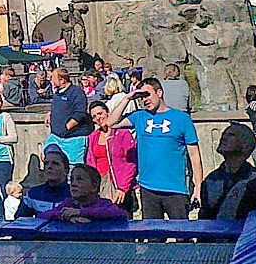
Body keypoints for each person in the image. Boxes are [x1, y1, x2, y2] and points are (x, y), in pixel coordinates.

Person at [102, 78, 203, 220]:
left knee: (181, 231)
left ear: (159, 93)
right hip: (148, 189)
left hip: (175, 189)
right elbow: (110, 123)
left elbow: (194, 155)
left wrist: (198, 187)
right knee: (152, 232)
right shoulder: (139, 117)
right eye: (141, 97)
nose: (144, 100)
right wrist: (127, 98)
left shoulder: (182, 118)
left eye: (147, 95)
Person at [199, 124, 256, 221]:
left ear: (246, 147)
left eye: (231, 135)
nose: (224, 138)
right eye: (224, 134)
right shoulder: (211, 179)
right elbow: (204, 218)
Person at [86, 100, 138, 214]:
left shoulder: (123, 134)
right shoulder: (93, 137)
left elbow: (131, 163)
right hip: (100, 185)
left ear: (107, 113)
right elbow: (90, 161)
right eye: (94, 116)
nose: (98, 118)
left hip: (119, 186)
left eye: (100, 113)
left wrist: (123, 188)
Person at [39, 165, 129, 223]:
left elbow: (120, 214)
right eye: (72, 180)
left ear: (94, 187)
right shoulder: (69, 204)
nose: (73, 184)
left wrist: (80, 212)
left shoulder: (104, 204)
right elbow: (42, 216)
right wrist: (65, 216)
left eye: (79, 179)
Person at [44, 67, 92, 165]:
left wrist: (68, 126)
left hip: (73, 138)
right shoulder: (58, 92)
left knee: (73, 166)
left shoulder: (76, 92)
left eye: (53, 77)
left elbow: (80, 113)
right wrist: (51, 113)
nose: (51, 80)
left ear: (62, 80)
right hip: (55, 137)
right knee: (47, 158)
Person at [19, 146, 73, 216]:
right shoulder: (33, 194)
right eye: (46, 163)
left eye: (55, 163)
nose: (49, 166)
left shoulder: (74, 195)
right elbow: (20, 220)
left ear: (66, 170)